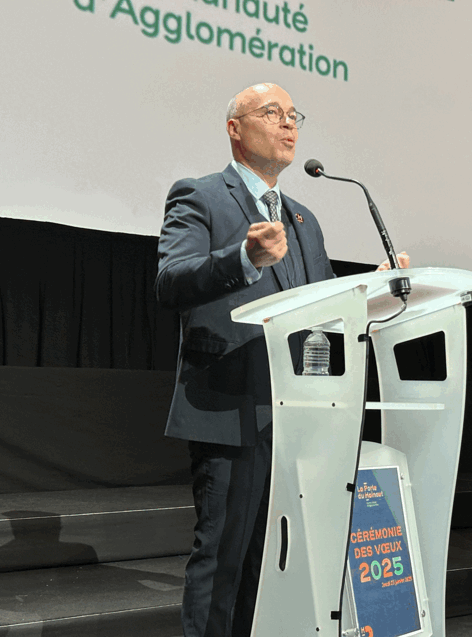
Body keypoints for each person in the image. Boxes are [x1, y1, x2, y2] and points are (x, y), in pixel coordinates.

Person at [155, 83, 406, 637]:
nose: (289, 124)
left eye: (295, 115)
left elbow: (329, 302)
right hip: (232, 406)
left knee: (268, 564)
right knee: (222, 557)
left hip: (301, 415)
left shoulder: (303, 219)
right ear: (235, 128)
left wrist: (382, 289)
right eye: (273, 113)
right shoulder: (200, 195)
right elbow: (171, 281)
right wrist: (242, 257)